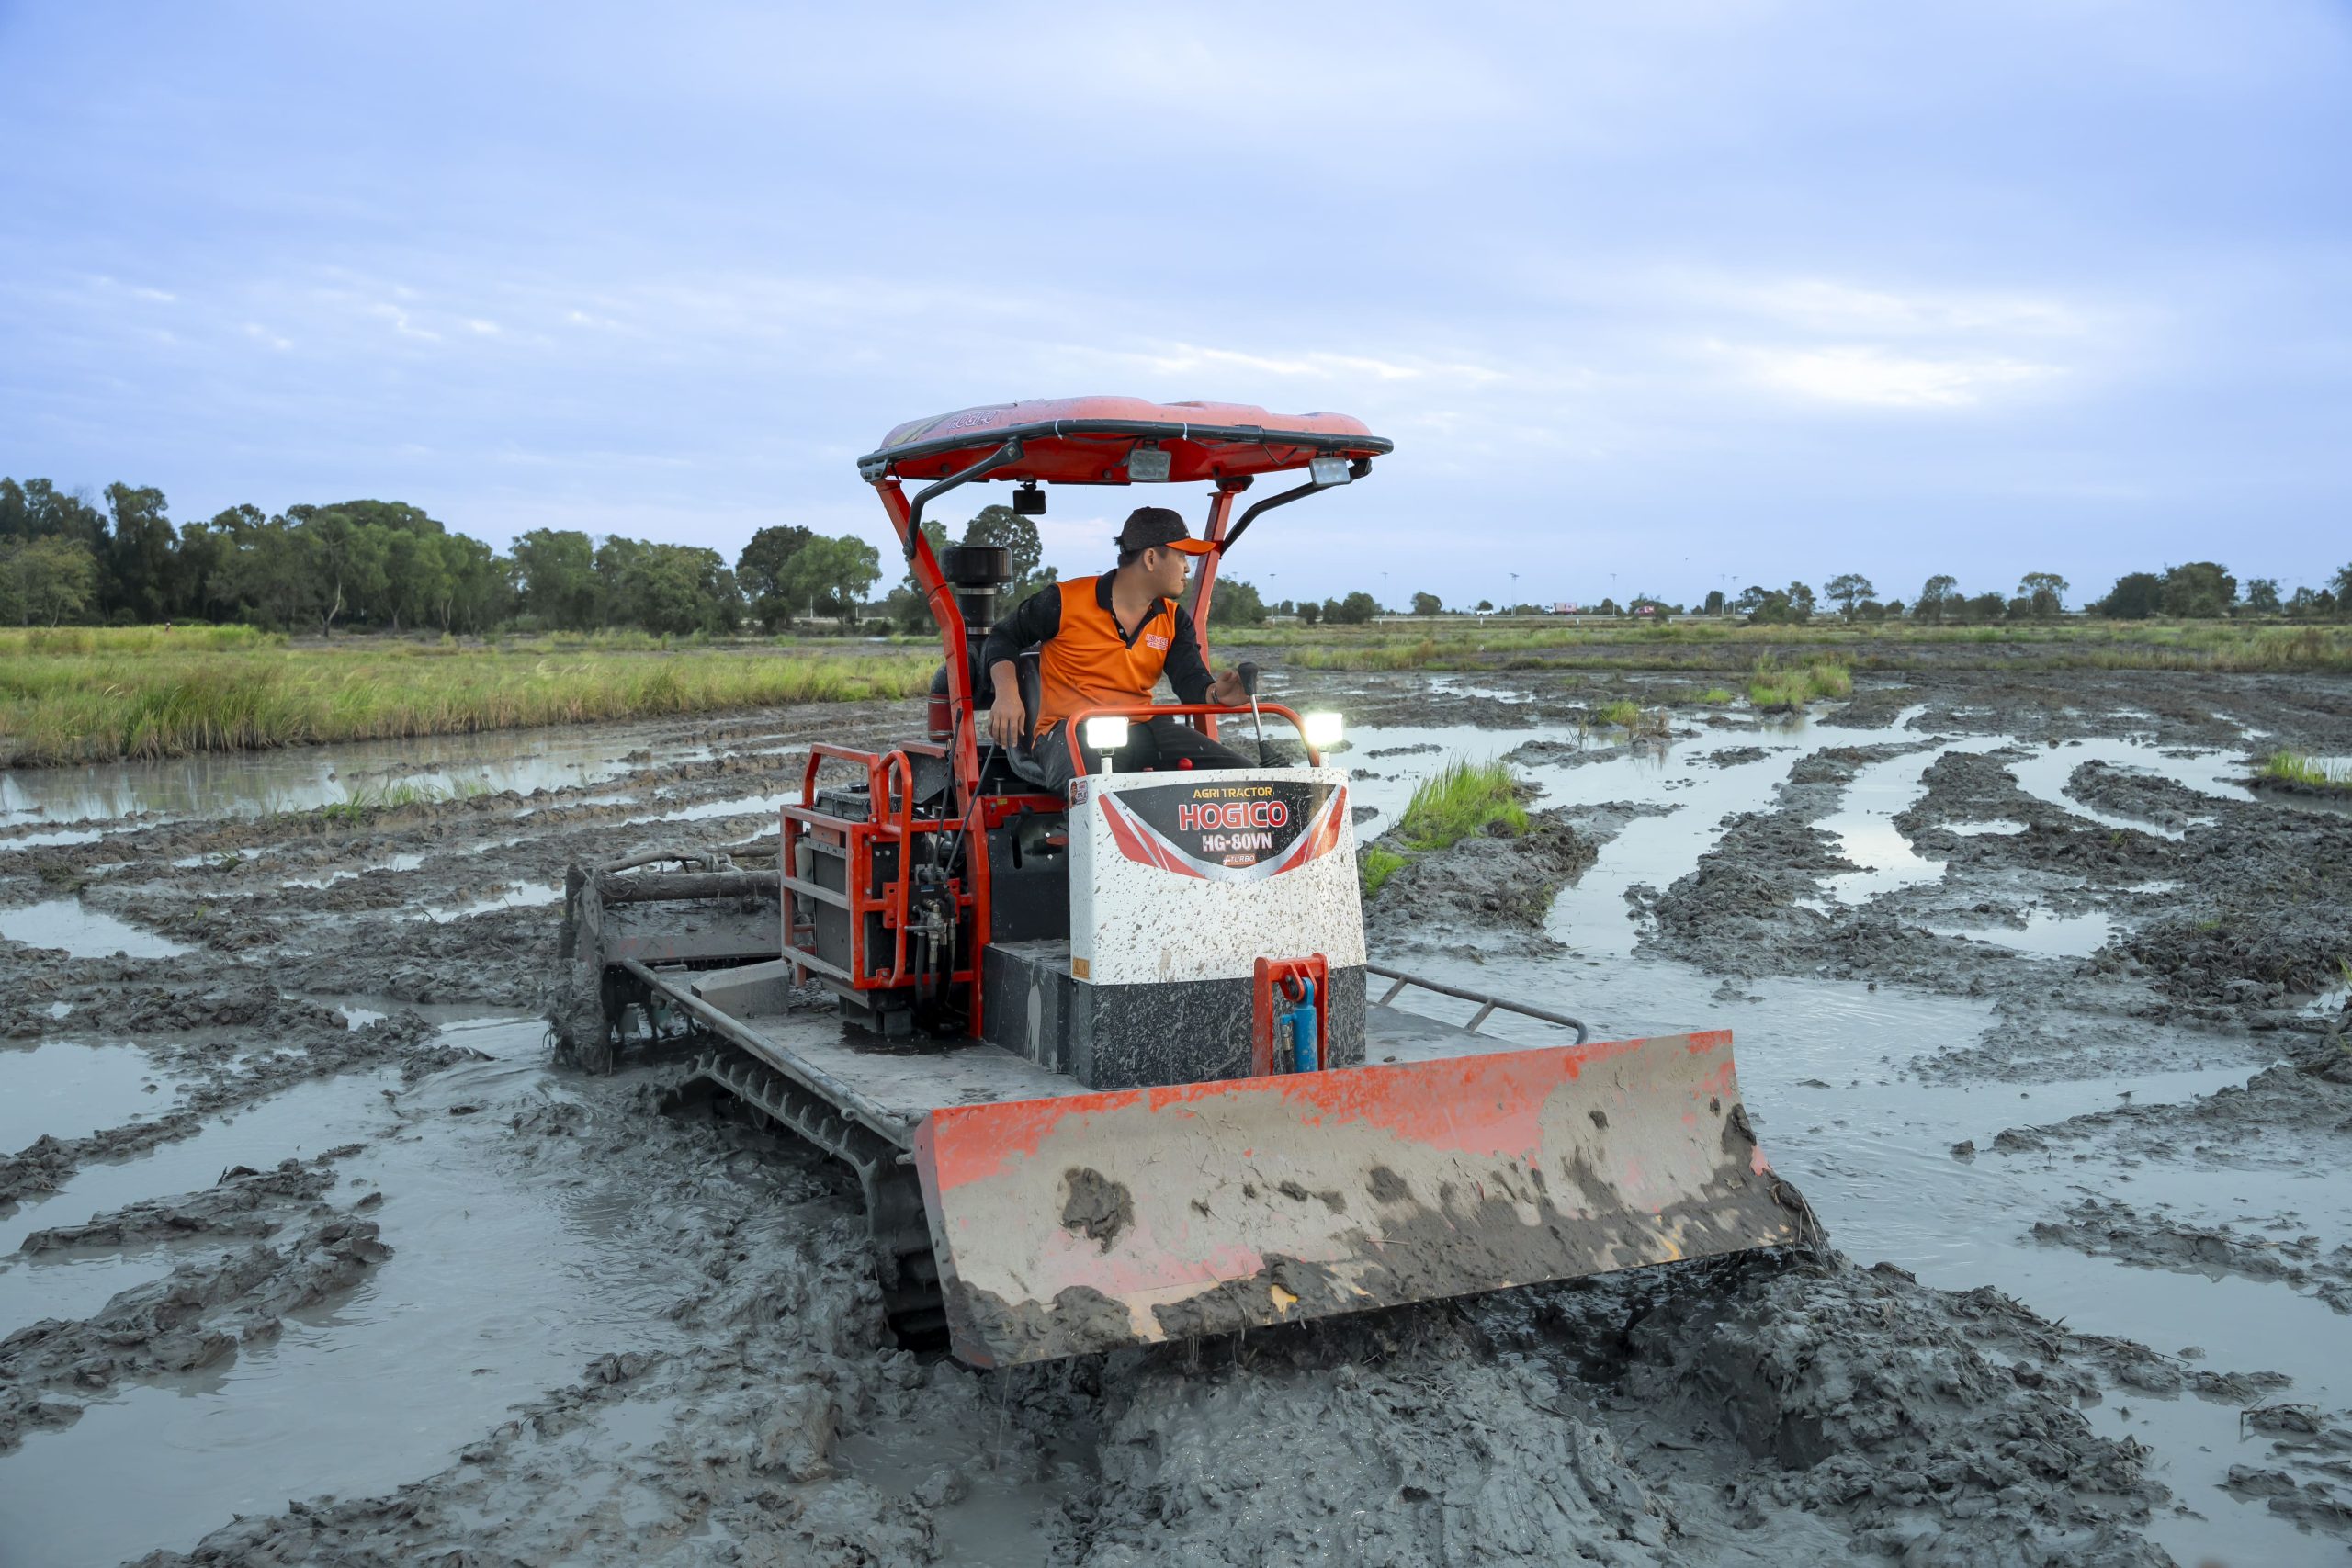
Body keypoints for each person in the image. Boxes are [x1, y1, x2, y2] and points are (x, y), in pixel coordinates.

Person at [981, 505, 1250, 789]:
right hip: (1071, 731)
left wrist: (1217, 693)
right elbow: (1003, 637)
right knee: (1098, 792)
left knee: (1247, 781)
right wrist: (1007, 695)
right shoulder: (1064, 601)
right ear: (1150, 558)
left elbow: (1190, 679)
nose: (1186, 568)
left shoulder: (1173, 619)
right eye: (1181, 556)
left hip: (1144, 728)